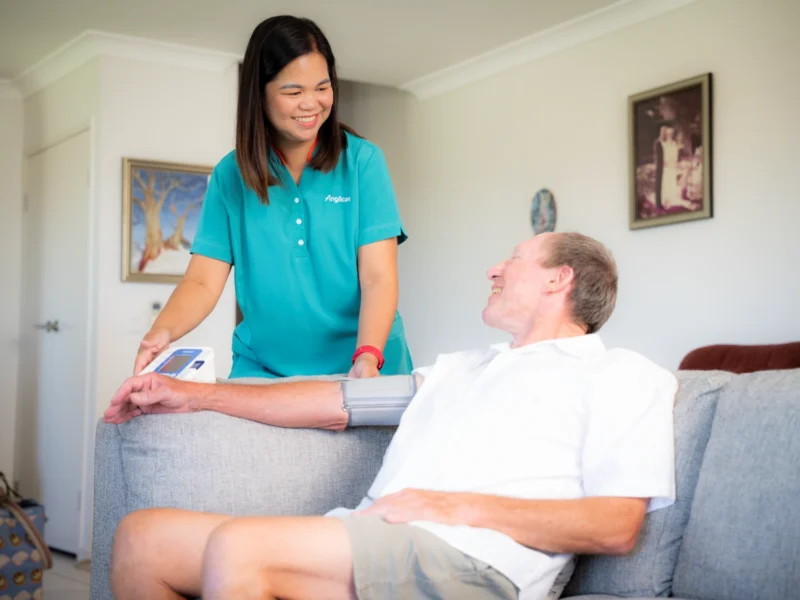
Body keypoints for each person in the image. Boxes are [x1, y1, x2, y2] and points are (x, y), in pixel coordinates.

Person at [107, 232, 677, 600]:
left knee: (240, 545)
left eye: (516, 259)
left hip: (473, 567)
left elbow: (615, 526)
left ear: (560, 278)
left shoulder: (622, 375)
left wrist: (446, 505)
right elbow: (333, 401)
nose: (494, 268)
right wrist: (193, 395)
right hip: (377, 541)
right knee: (143, 538)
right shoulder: (456, 370)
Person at [133, 15, 413, 381]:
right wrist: (162, 332)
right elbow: (202, 281)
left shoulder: (363, 163)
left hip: (364, 363)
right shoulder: (230, 176)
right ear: (259, 95)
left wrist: (368, 356)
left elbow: (378, 276)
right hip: (264, 369)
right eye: (293, 92)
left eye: (322, 87)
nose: (311, 103)